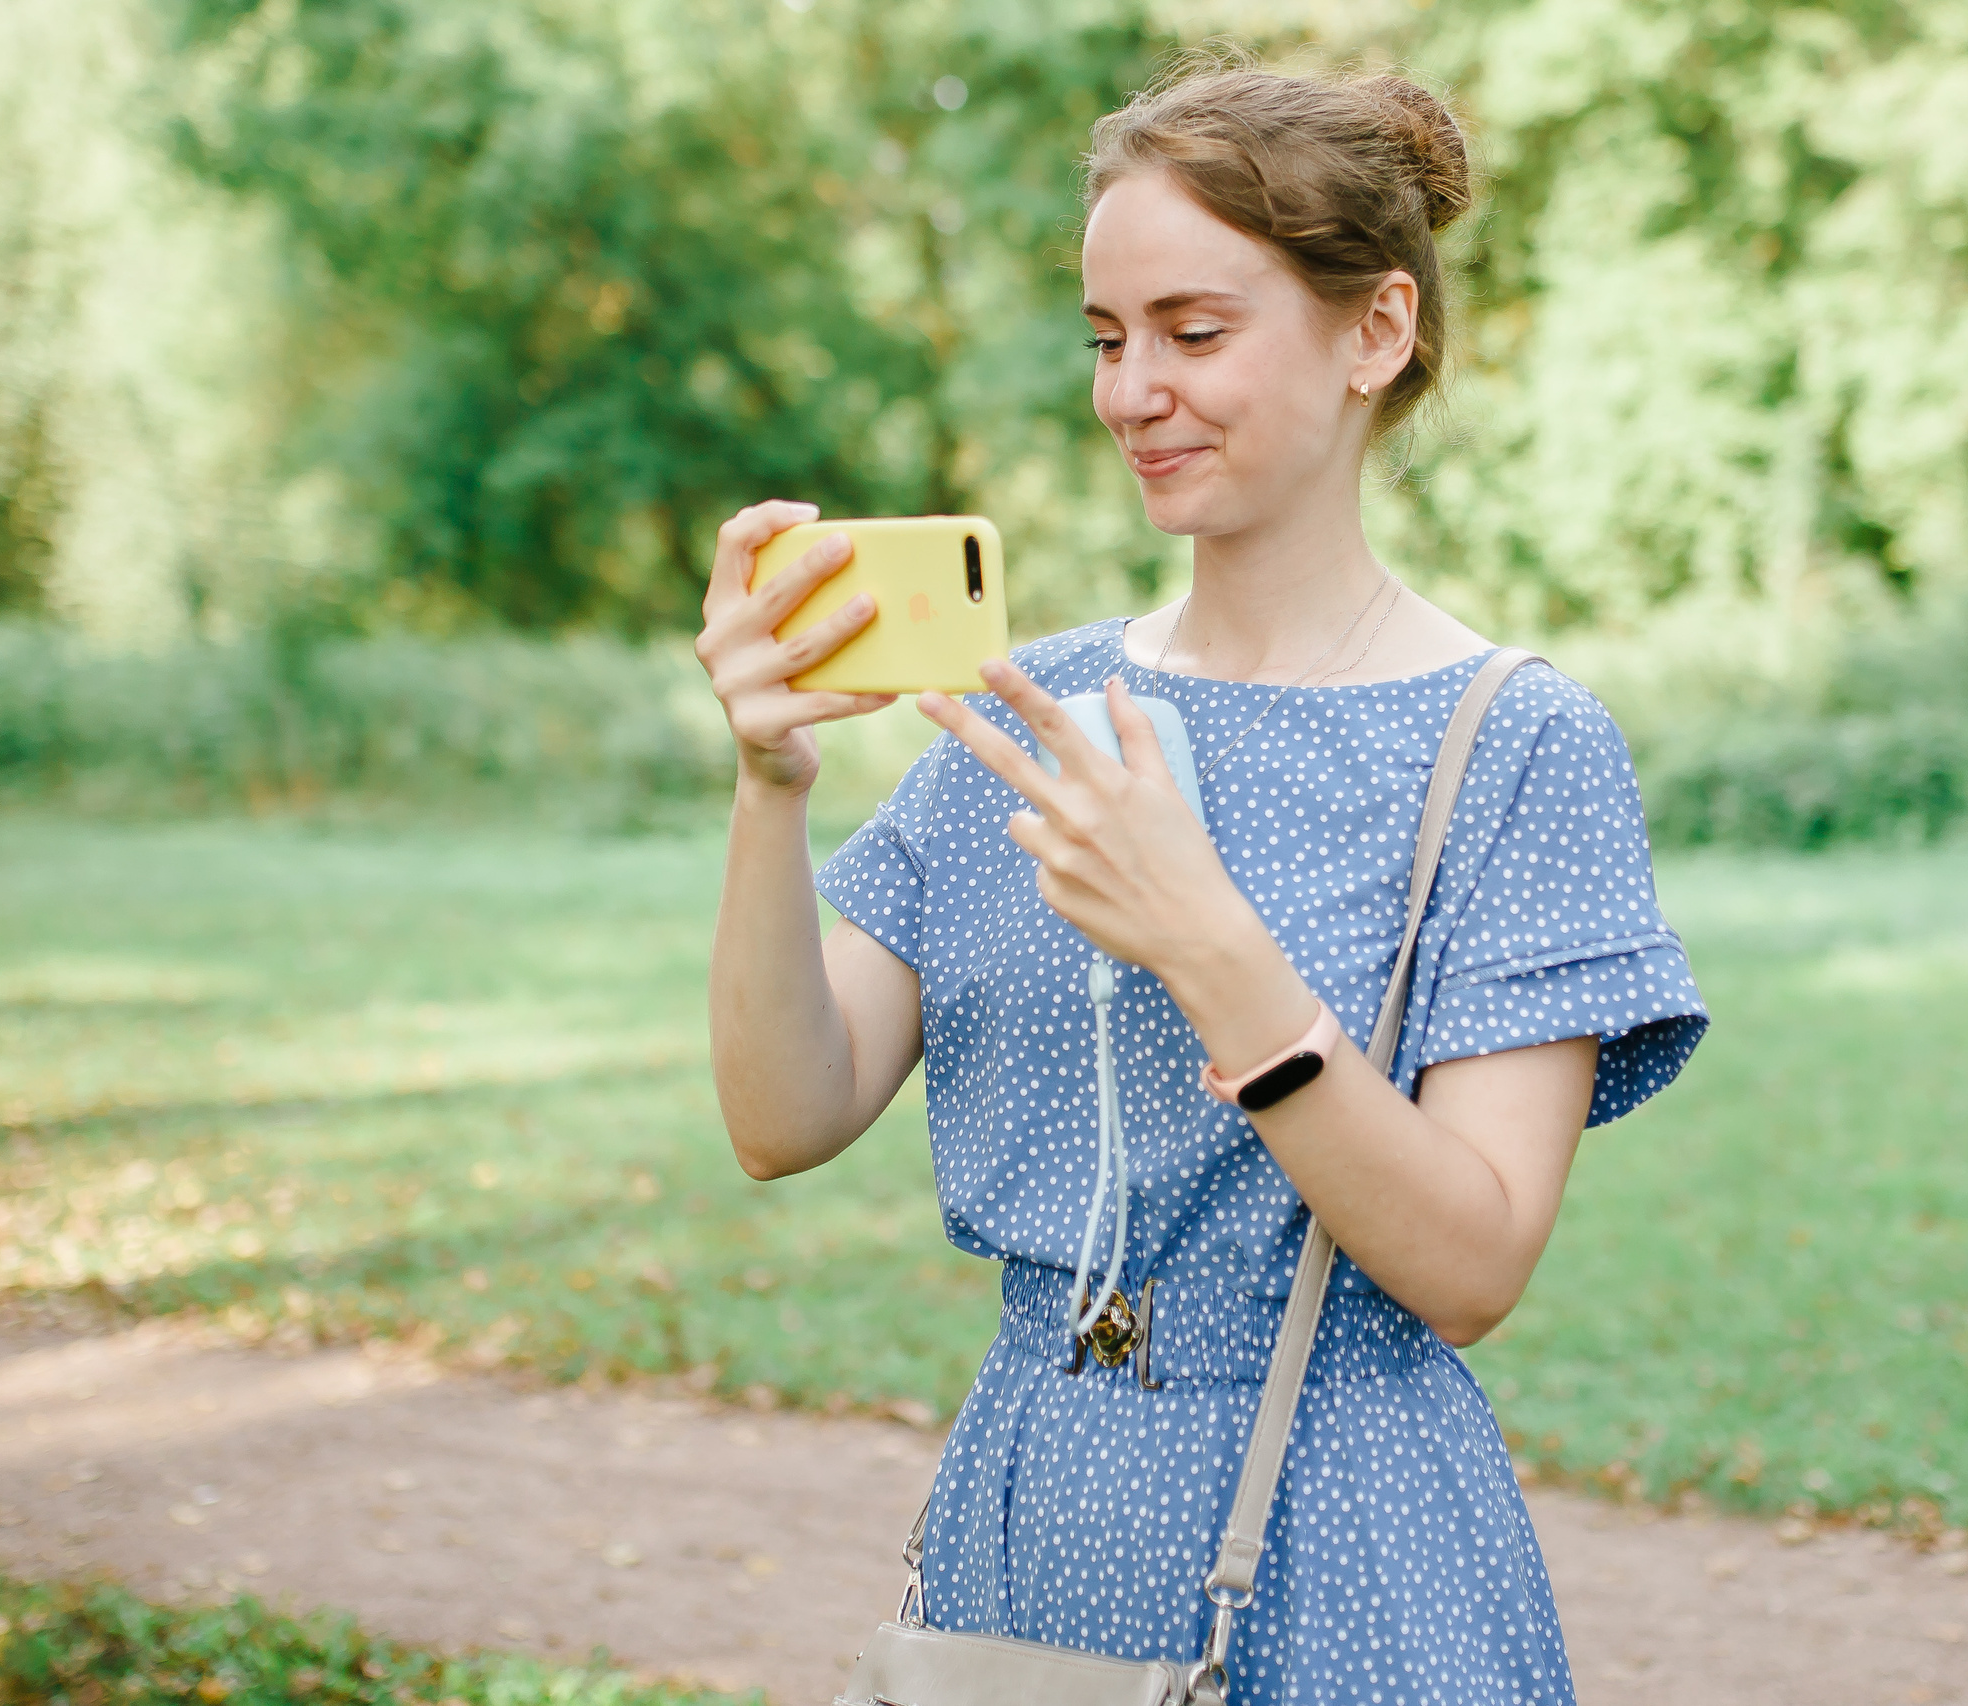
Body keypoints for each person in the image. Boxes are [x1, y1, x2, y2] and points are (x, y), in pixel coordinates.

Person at [692, 58, 1710, 1704]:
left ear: (1376, 331)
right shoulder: (1027, 706)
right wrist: (769, 783)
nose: (1132, 390)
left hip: (1350, 1545)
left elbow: (1472, 1263)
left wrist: (1205, 940)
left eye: (1195, 330)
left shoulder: (1515, 744)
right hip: (1021, 1529)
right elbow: (780, 1114)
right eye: (1107, 338)